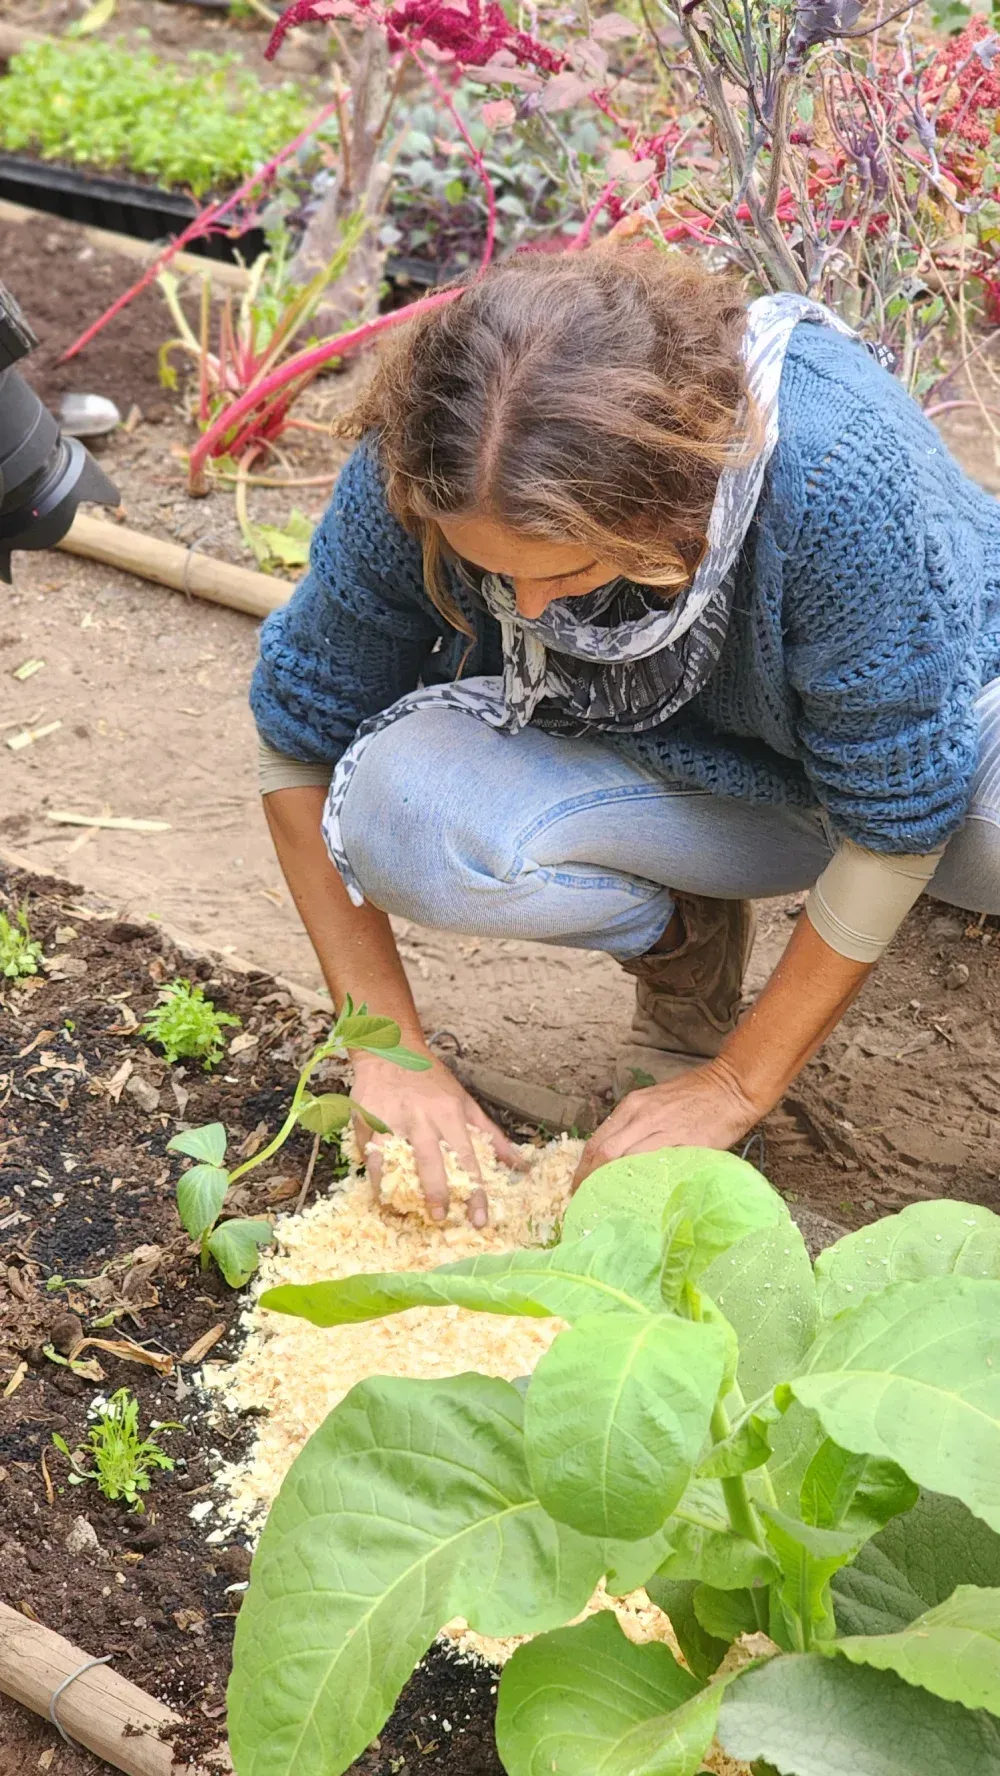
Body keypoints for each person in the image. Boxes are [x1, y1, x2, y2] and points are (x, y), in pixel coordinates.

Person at [250, 246, 1000, 1228]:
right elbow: (297, 736)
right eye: (492, 576)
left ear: (665, 503)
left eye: (562, 575)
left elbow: (898, 815)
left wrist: (734, 1087)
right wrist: (389, 1051)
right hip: (696, 770)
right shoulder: (429, 454)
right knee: (401, 814)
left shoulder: (835, 471)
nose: (522, 609)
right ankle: (685, 936)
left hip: (949, 747)